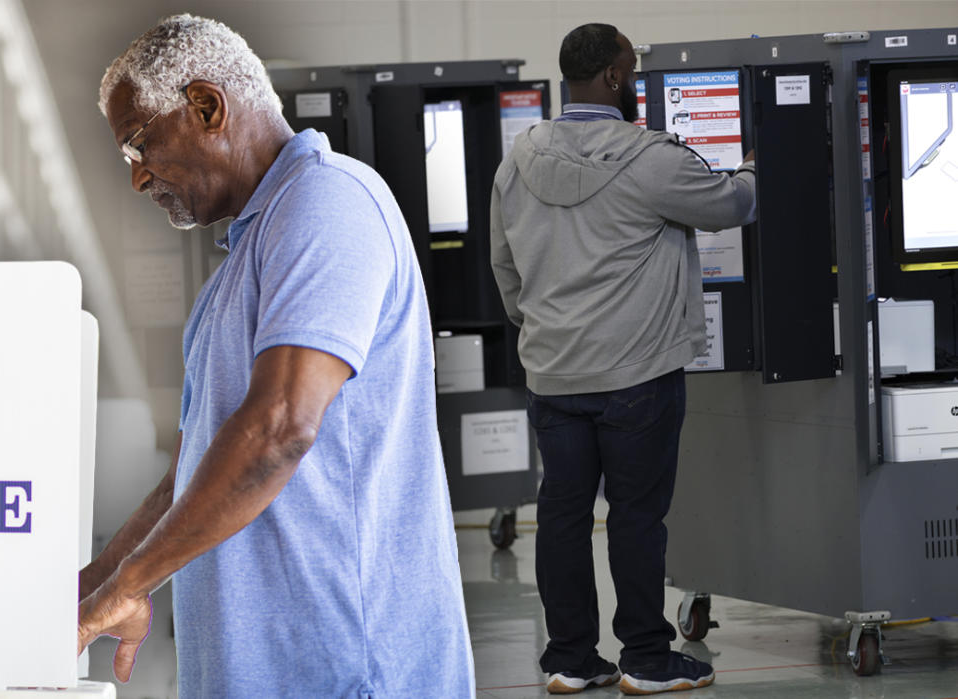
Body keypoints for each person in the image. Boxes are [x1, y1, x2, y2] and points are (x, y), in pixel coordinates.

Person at [76, 14, 475, 698]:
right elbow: (189, 477)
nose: (139, 179)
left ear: (206, 106)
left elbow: (280, 428)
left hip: (345, 671)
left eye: (139, 145)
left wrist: (132, 583)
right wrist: (95, 587)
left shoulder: (328, 200)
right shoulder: (230, 279)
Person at [489, 23, 756, 696]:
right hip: (637, 375)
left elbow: (504, 268)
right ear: (613, 76)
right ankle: (645, 657)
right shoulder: (650, 159)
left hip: (553, 375)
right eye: (631, 71)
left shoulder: (516, 162)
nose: (634, 83)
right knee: (637, 516)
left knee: (563, 516)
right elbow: (729, 204)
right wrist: (756, 166)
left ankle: (570, 659)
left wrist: (542, 329)